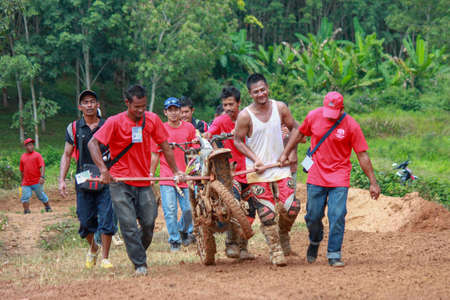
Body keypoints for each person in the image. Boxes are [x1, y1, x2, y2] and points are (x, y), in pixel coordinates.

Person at [88, 85, 184, 276]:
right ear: (127, 103)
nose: (141, 111)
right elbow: (92, 143)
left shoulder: (152, 120)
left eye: (143, 106)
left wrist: (176, 171)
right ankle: (140, 264)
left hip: (143, 181)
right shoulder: (115, 122)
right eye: (136, 107)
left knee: (149, 223)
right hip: (120, 181)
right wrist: (103, 170)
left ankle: (136, 251)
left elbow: (165, 146)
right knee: (128, 224)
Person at [279, 91, 381, 267]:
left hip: (339, 176)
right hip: (316, 173)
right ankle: (315, 240)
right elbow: (299, 134)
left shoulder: (351, 125)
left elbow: (362, 154)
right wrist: (286, 153)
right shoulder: (313, 116)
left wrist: (373, 181)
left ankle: (334, 253)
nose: (330, 117)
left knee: (338, 215)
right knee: (312, 216)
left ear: (342, 109)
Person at [234, 74, 300, 266]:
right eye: (256, 92)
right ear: (250, 94)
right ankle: (275, 250)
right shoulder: (245, 115)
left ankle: (284, 232)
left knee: (292, 206)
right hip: (258, 171)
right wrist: (255, 159)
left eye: (263, 90)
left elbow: (295, 129)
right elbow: (238, 141)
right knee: (267, 213)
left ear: (267, 88)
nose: (260, 94)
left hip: (280, 167)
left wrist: (288, 153)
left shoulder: (280, 108)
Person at [58, 90, 115, 269]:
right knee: (84, 221)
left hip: (105, 179)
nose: (89, 105)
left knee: (107, 218)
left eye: (92, 102)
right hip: (83, 180)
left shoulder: (108, 125)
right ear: (80, 107)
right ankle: (93, 247)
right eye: (86, 102)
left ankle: (105, 258)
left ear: (98, 105)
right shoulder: (73, 128)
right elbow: (67, 155)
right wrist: (61, 180)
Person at [204, 86, 255, 261]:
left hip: (251, 168)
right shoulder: (220, 121)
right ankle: (231, 243)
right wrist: (206, 137)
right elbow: (209, 136)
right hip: (230, 172)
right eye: (225, 104)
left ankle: (243, 247)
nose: (228, 108)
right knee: (234, 206)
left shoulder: (249, 117)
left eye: (231, 104)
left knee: (251, 209)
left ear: (239, 103)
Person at [150, 97, 195, 251]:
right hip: (166, 176)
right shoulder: (160, 129)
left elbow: (193, 150)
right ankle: (174, 240)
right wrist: (151, 173)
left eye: (176, 109)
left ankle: (183, 230)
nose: (174, 113)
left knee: (189, 208)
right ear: (165, 112)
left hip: (184, 176)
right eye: (170, 110)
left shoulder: (188, 128)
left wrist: (192, 170)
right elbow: (155, 154)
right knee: (170, 210)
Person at [19, 138, 51, 214]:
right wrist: (22, 180)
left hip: (37, 181)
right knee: (24, 197)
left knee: (41, 195)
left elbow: (42, 166)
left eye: (32, 145)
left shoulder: (37, 155)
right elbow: (21, 170)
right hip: (26, 182)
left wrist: (42, 177)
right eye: (29, 145)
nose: (31, 146)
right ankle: (26, 211)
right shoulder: (23, 157)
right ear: (26, 147)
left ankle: (48, 207)